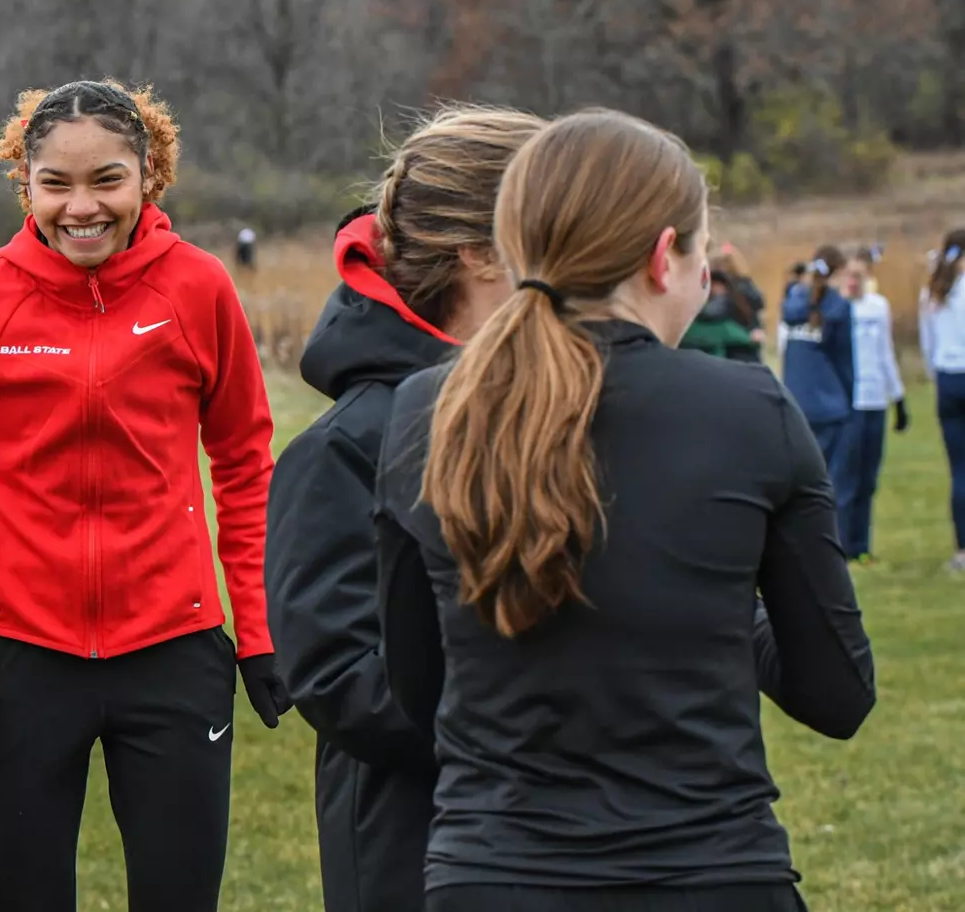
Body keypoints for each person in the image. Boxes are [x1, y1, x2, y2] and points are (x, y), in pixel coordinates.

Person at [375, 109, 875, 912]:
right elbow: (837, 693)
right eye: (702, 253)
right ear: (662, 259)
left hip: (494, 877)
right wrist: (721, 602)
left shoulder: (426, 411)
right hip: (710, 875)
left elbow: (415, 684)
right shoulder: (749, 410)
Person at [0, 79, 290, 912]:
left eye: (106, 179)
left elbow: (245, 466)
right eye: (56, 184)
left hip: (175, 651)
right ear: (23, 182)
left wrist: (257, 631)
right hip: (22, 659)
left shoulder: (199, 288)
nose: (82, 207)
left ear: (149, 176)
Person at [265, 106, 545, 912]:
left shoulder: (578, 416)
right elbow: (342, 682)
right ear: (480, 253)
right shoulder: (343, 451)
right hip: (418, 856)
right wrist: (550, 713)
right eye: (558, 230)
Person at [781, 246, 860, 554]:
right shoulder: (839, 306)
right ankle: (828, 549)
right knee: (830, 485)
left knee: (797, 483)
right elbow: (844, 361)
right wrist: (850, 401)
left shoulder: (794, 299)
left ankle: (796, 545)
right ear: (838, 273)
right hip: (830, 405)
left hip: (796, 402)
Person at [843, 252, 909, 563]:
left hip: (874, 399)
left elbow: (885, 352)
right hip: (849, 401)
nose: (854, 282)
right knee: (847, 477)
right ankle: (842, 543)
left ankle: (862, 543)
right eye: (849, 276)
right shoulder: (838, 309)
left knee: (869, 478)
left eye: (859, 275)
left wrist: (898, 397)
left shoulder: (878, 307)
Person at [920, 230, 965, 573]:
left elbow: (928, 343)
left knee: (959, 470)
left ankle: (962, 550)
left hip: (947, 379)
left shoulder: (934, 290)